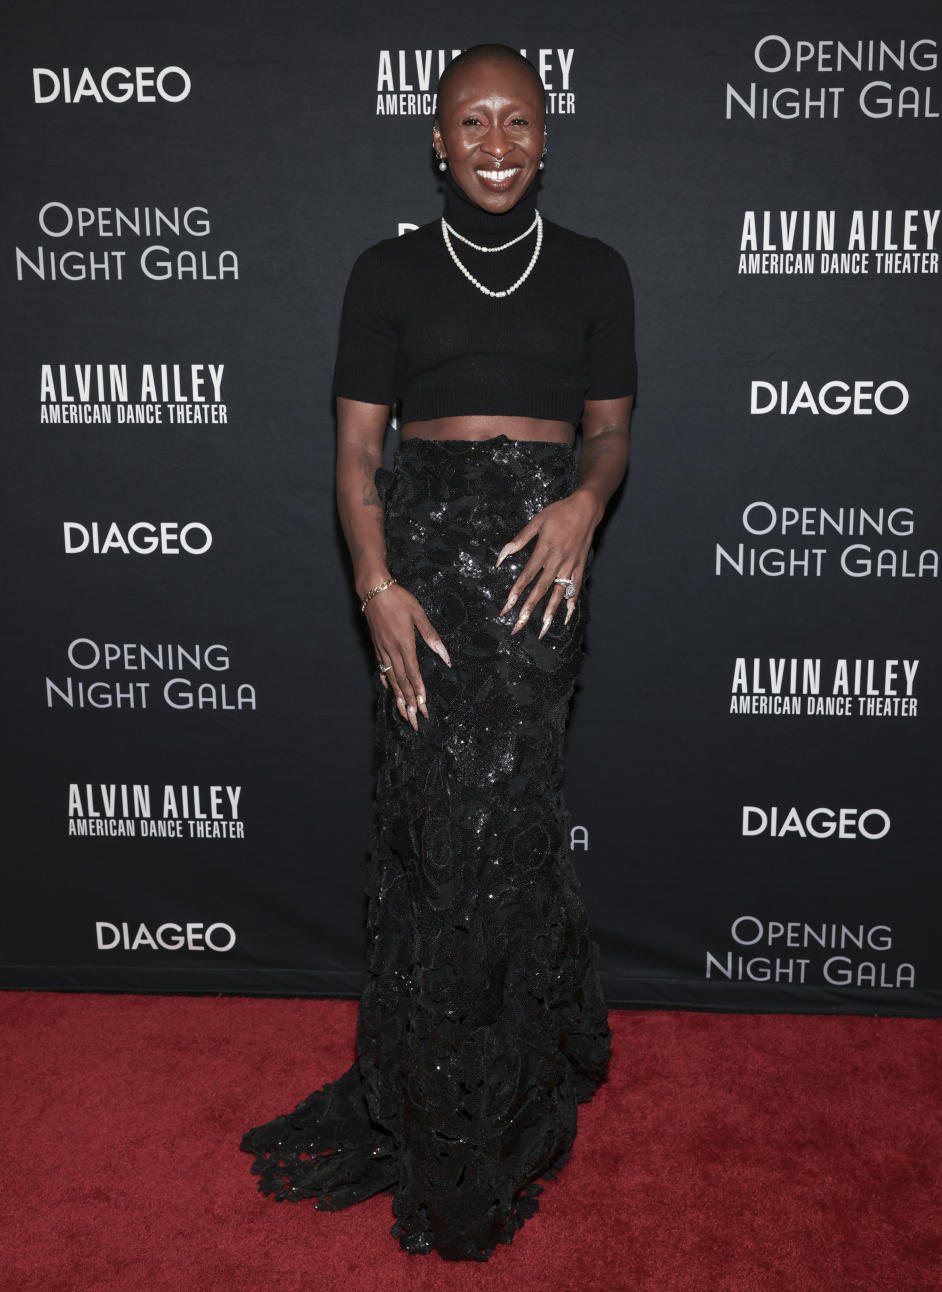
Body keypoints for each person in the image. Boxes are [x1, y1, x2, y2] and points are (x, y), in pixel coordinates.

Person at [240, 43, 636, 1262]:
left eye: (519, 119)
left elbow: (612, 434)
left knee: (507, 821)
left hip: (536, 564)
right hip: (420, 565)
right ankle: (428, 1085)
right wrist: (376, 588)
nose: (498, 141)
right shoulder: (386, 271)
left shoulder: (597, 270)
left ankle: (510, 1070)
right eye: (473, 121)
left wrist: (580, 503)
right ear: (437, 139)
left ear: (546, 133)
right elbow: (360, 457)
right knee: (431, 824)